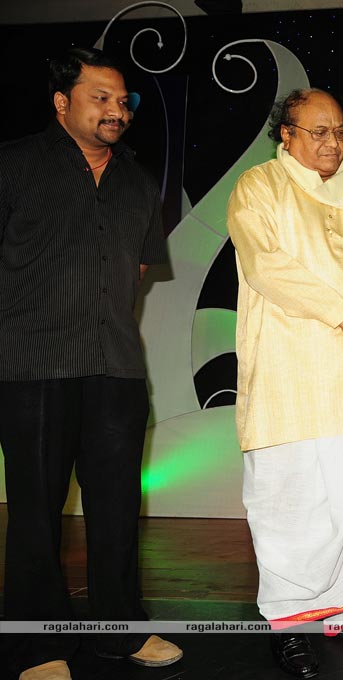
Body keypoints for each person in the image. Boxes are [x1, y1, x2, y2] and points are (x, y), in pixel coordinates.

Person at [0, 47, 181, 680]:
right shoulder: (15, 165)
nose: (115, 110)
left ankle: (119, 634)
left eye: (122, 100)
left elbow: (132, 271)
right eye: (99, 97)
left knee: (115, 511)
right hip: (32, 366)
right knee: (34, 516)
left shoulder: (137, 181)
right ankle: (37, 646)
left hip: (117, 369)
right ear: (61, 102)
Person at [227, 88, 343, 679]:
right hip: (295, 375)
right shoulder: (258, 187)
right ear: (286, 134)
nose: (333, 144)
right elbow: (267, 265)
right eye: (318, 132)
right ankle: (290, 623)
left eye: (339, 132)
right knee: (297, 502)